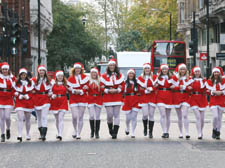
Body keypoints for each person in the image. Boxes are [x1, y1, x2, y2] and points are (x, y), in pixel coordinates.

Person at [100, 59, 124, 139]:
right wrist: (108, 90)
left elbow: (122, 85)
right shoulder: (103, 76)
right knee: (110, 115)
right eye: (110, 65)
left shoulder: (120, 75)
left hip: (117, 96)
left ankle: (115, 132)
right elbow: (101, 86)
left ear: (115, 66)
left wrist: (117, 90)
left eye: (113, 65)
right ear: (108, 66)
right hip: (108, 97)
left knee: (116, 115)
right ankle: (110, 128)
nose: (112, 67)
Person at [67, 62, 89, 139]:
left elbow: (87, 87)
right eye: (76, 68)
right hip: (73, 98)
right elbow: (68, 88)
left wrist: (81, 91)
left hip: (82, 98)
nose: (77, 70)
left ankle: (78, 133)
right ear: (74, 69)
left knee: (80, 117)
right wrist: (73, 91)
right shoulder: (70, 78)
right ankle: (75, 130)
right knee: (74, 116)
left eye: (79, 68)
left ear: (81, 69)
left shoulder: (85, 77)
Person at [171, 63, 191, 139]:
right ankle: (180, 132)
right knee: (179, 117)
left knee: (185, 115)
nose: (182, 70)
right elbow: (171, 87)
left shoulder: (189, 78)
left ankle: (187, 132)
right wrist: (180, 87)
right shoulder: (175, 78)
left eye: (184, 69)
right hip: (177, 97)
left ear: (186, 70)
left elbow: (191, 88)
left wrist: (184, 87)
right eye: (181, 69)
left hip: (185, 97)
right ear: (179, 70)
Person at [14, 68, 34, 142]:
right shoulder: (16, 83)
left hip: (28, 101)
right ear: (20, 75)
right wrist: (18, 95)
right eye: (22, 75)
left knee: (28, 119)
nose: (23, 76)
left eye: (24, 75)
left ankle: (28, 134)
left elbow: (33, 91)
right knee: (20, 117)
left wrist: (28, 96)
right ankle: (19, 134)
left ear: (26, 75)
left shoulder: (30, 83)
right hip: (19, 101)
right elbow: (13, 90)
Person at [137, 63, 157, 138]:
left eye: (148, 68)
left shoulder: (154, 77)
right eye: (146, 68)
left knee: (151, 115)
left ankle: (150, 132)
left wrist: (152, 89)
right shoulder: (140, 78)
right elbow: (139, 88)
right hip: (144, 97)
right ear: (144, 70)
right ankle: (145, 127)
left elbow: (156, 86)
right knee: (145, 114)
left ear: (150, 69)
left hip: (152, 97)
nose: (147, 70)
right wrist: (145, 91)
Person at [188, 66, 208, 140]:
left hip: (202, 98)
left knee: (202, 119)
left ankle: (201, 131)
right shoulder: (191, 80)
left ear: (200, 72)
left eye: (198, 71)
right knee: (198, 117)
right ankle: (199, 133)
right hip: (194, 98)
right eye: (196, 71)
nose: (197, 73)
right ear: (194, 72)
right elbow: (187, 88)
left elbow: (206, 89)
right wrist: (189, 88)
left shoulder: (203, 80)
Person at [32, 65, 51, 141]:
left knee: (44, 116)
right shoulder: (34, 80)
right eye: (40, 71)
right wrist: (32, 91)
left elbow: (52, 88)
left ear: (45, 72)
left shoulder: (48, 80)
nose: (41, 72)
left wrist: (50, 93)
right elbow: (29, 88)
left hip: (46, 99)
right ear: (38, 72)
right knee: (39, 117)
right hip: (37, 99)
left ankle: (44, 134)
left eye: (43, 71)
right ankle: (41, 132)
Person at [205, 67, 225, 140]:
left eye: (217, 72)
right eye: (215, 72)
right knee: (215, 117)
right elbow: (206, 91)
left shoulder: (223, 81)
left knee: (219, 118)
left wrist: (221, 92)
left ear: (219, 73)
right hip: (213, 101)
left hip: (222, 100)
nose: (216, 73)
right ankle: (214, 129)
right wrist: (212, 92)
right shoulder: (209, 81)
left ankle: (218, 132)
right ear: (213, 73)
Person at [50, 71, 68, 141]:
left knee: (61, 118)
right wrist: (52, 95)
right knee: (57, 119)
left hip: (63, 101)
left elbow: (71, 89)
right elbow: (49, 91)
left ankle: (60, 133)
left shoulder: (65, 84)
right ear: (56, 77)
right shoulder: (53, 84)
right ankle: (58, 132)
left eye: (61, 76)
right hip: (55, 101)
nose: (60, 77)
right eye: (58, 76)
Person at [122, 69, 140, 138]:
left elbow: (141, 90)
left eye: (132, 73)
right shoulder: (125, 82)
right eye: (130, 73)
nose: (131, 75)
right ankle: (127, 127)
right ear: (128, 75)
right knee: (128, 117)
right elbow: (122, 91)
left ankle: (133, 132)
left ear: (134, 75)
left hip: (135, 99)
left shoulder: (137, 82)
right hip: (127, 99)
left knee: (134, 117)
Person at [156, 64, 173, 139]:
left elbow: (177, 85)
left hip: (169, 96)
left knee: (168, 115)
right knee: (163, 114)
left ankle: (167, 131)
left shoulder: (171, 78)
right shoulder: (158, 78)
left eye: (166, 69)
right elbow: (154, 86)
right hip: (160, 96)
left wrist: (174, 86)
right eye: (163, 69)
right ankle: (164, 131)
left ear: (168, 70)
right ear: (161, 70)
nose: (165, 70)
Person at [85, 67, 102, 139]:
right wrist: (85, 87)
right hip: (90, 99)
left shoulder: (100, 81)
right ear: (90, 74)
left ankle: (97, 132)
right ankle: (92, 130)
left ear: (97, 74)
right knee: (91, 115)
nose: (94, 74)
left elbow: (103, 90)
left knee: (97, 116)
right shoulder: (88, 81)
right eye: (92, 73)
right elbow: (84, 88)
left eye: (95, 73)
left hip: (98, 99)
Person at [0, 62, 15, 142]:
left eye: (6, 69)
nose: (5, 71)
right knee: (1, 117)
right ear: (1, 70)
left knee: (7, 117)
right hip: (0, 98)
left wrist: (14, 94)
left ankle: (8, 129)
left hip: (8, 99)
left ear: (8, 69)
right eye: (3, 69)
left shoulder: (12, 78)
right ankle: (2, 134)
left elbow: (15, 87)